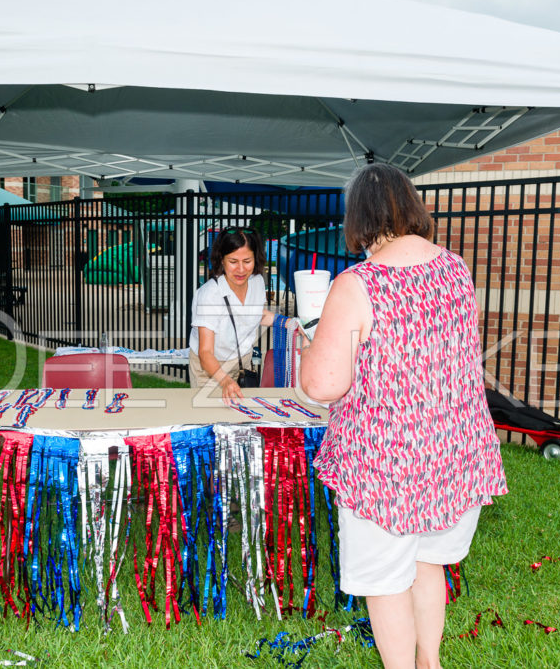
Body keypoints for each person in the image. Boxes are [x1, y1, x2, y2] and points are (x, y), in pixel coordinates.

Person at [300, 164, 508, 669]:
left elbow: (323, 384)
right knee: (428, 561)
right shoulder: (456, 267)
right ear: (410, 205)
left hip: (387, 459)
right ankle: (429, 662)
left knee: (386, 580)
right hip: (455, 447)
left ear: (358, 219)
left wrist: (310, 336)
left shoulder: (358, 284)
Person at [189, 227, 298, 403]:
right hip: (209, 369)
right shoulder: (209, 295)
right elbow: (205, 352)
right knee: (210, 423)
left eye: (247, 261)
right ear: (221, 261)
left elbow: (255, 314)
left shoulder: (256, 282)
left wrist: (287, 322)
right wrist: (225, 381)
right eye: (233, 261)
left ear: (256, 259)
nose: (241, 269)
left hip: (241, 364)